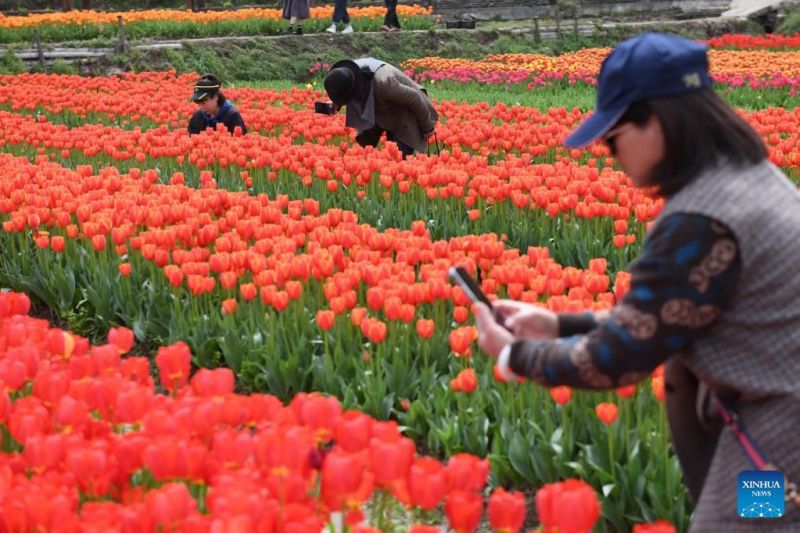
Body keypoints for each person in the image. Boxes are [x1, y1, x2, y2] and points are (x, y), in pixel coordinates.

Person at [471, 32, 800, 531]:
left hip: (774, 450)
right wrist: (559, 324)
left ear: (657, 123)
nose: (608, 153)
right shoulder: (750, 178)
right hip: (773, 424)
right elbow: (676, 315)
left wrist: (511, 354)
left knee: (746, 527)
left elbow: (621, 357)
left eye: (612, 136)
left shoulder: (702, 221)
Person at [322, 58, 438, 159]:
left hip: (404, 114)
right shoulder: (348, 76)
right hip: (382, 111)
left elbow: (414, 98)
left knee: (400, 159)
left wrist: (427, 127)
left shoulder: (384, 84)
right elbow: (347, 91)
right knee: (368, 153)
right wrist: (337, 103)